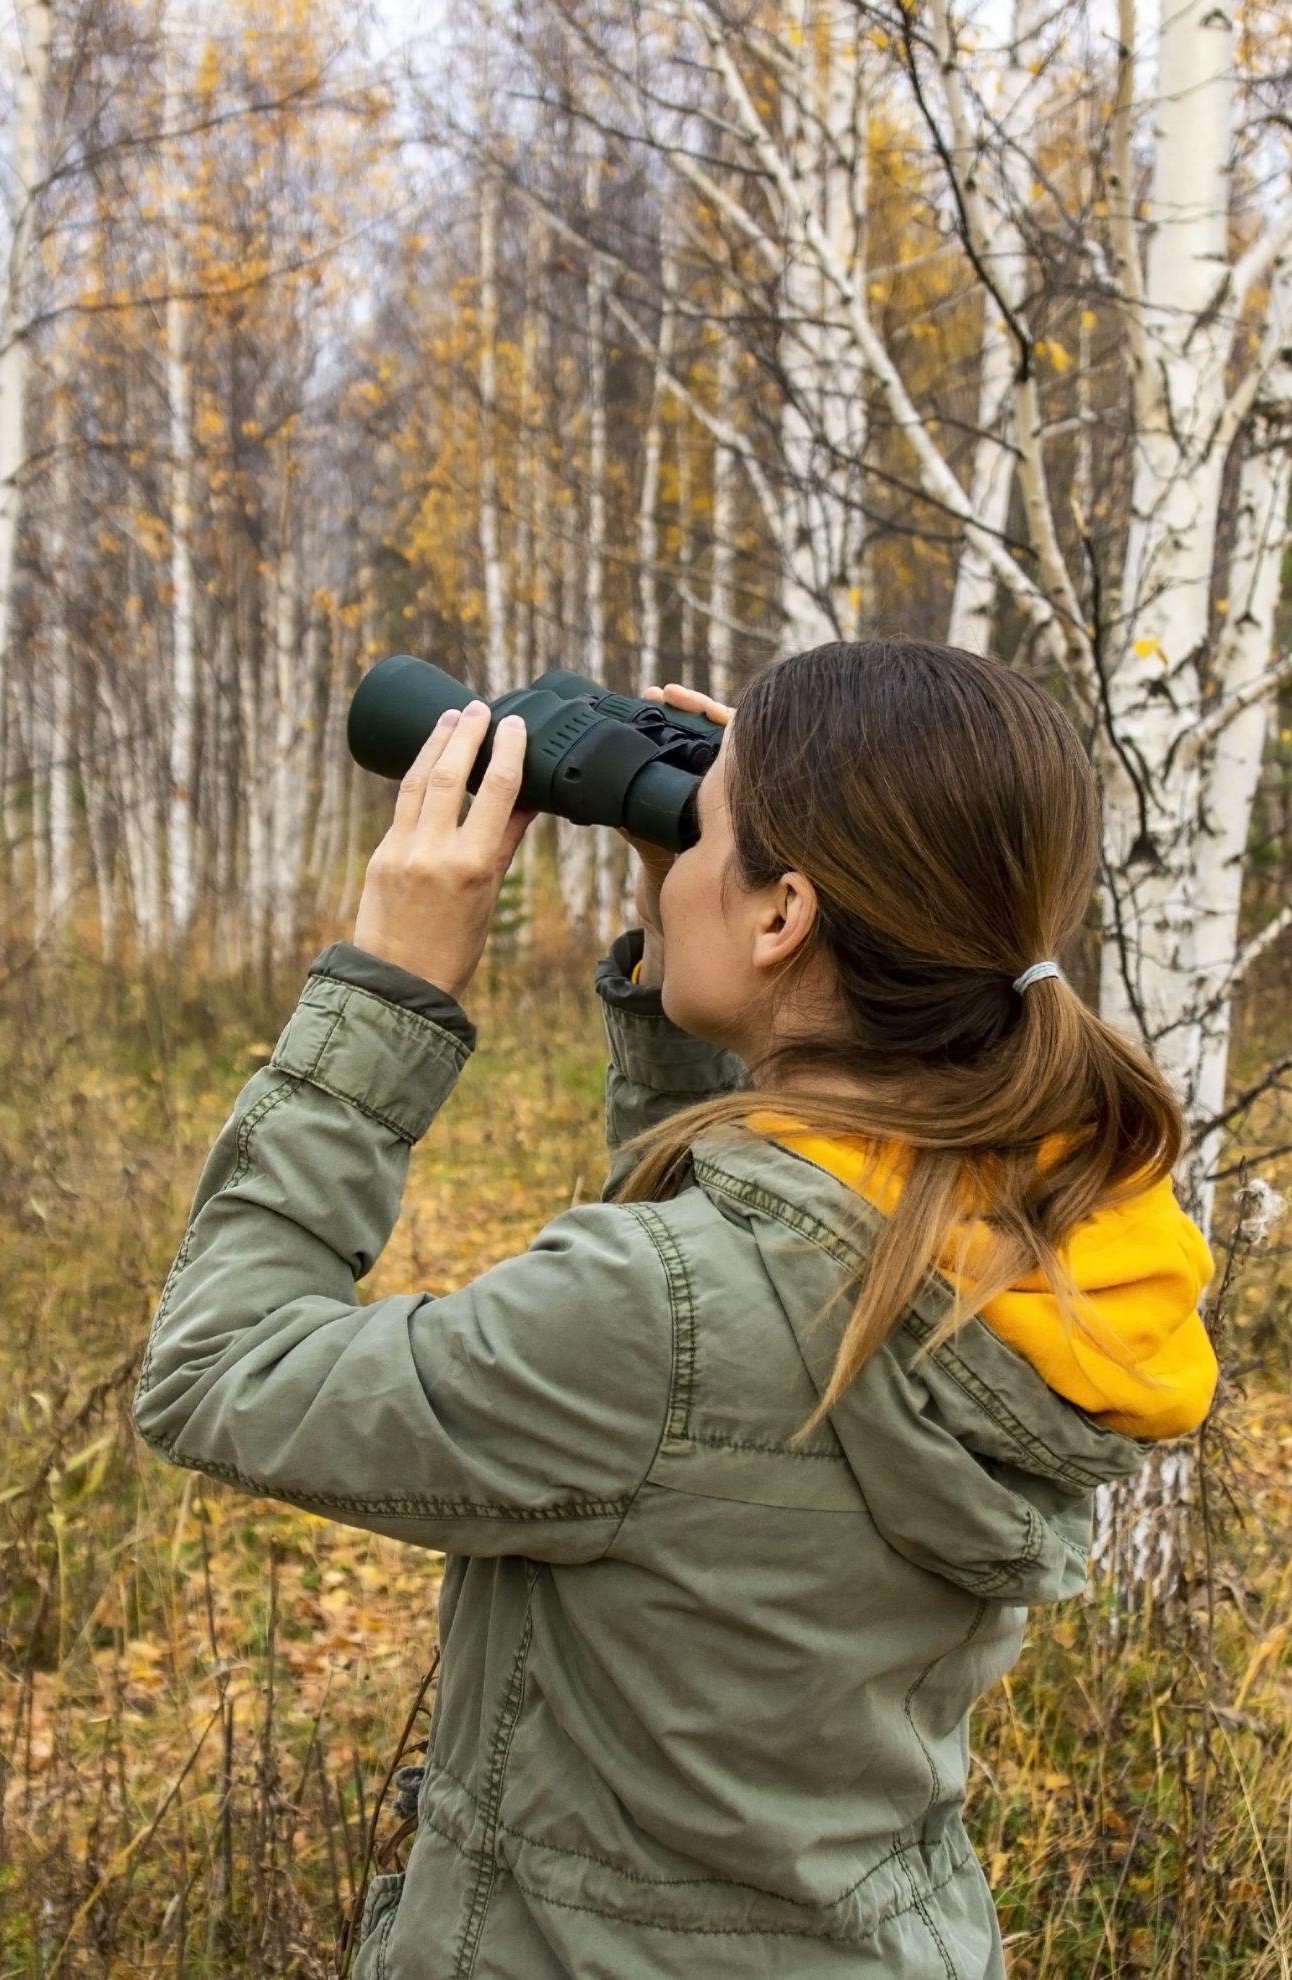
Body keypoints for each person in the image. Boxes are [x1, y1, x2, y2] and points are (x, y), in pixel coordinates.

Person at [134, 640, 1218, 1978]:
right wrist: (691, 963)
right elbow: (709, 1376)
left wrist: (388, 989)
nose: (681, 842)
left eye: (702, 827)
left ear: (783, 917)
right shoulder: (1032, 1229)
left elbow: (215, 1367)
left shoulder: (663, 1320)